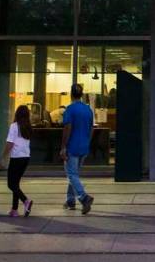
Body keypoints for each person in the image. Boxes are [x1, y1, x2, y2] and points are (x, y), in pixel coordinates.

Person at [60, 83, 94, 214]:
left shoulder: (70, 109)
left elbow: (67, 128)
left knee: (71, 174)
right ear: (81, 94)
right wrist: (87, 142)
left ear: (71, 94)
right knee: (74, 175)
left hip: (72, 147)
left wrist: (63, 147)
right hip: (84, 147)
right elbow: (91, 128)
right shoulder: (88, 110)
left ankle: (84, 197)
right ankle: (70, 200)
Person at [1, 105, 33, 217]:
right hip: (26, 158)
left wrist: (3, 157)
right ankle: (14, 210)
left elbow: (10, 143)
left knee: (11, 184)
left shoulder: (14, 126)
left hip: (16, 158)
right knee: (16, 184)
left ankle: (25, 201)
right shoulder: (28, 127)